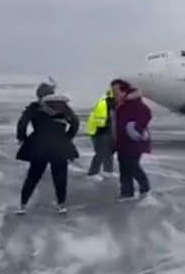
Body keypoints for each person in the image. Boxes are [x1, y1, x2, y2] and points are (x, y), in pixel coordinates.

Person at [15, 82, 80, 215]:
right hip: (59, 145)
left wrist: (22, 138)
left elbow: (22, 123)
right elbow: (75, 122)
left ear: (39, 95)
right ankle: (61, 205)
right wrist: (67, 137)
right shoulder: (62, 107)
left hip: (39, 145)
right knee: (60, 176)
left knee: (33, 176)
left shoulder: (35, 107)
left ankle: (23, 205)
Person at [110, 79, 152, 200]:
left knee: (132, 165)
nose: (113, 93)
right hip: (122, 142)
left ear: (124, 91)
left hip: (134, 141)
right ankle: (127, 193)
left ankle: (145, 188)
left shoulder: (134, 102)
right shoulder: (120, 104)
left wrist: (135, 127)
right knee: (124, 167)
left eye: (115, 90)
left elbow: (147, 113)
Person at [86, 88, 115, 178]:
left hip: (106, 131)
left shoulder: (112, 105)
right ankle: (92, 173)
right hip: (97, 131)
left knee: (109, 152)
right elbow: (100, 122)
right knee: (100, 152)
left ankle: (108, 171)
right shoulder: (103, 104)